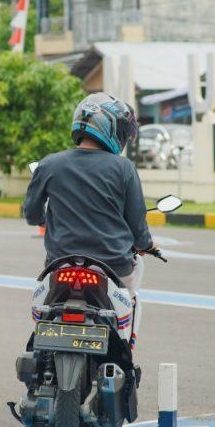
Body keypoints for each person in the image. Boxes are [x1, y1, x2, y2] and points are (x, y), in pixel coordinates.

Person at [22, 92, 156, 297]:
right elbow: (137, 225)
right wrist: (146, 245)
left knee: (44, 301)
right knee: (131, 297)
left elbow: (31, 214)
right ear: (110, 127)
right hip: (114, 268)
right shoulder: (124, 168)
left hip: (60, 265)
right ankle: (127, 329)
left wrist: (44, 219)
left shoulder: (49, 164)